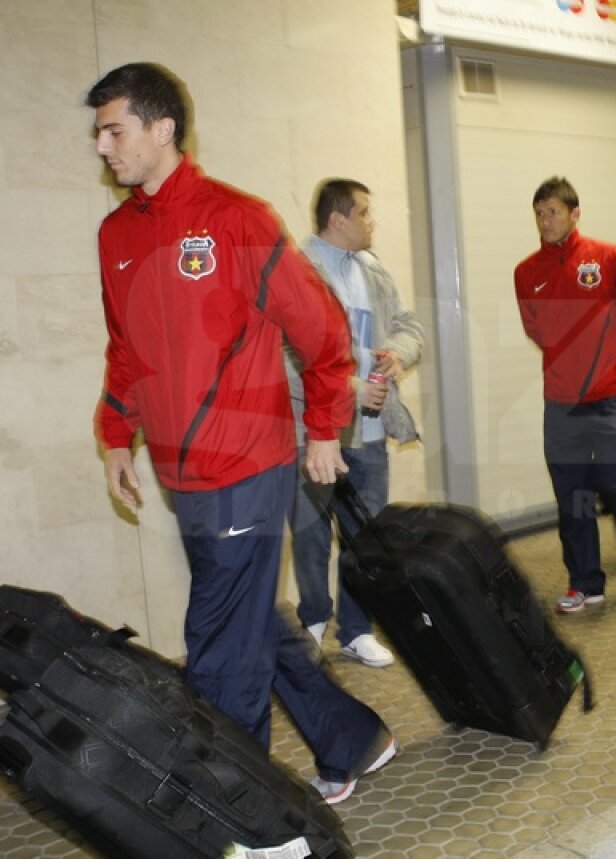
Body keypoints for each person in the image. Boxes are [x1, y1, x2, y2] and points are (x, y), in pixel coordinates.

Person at [88, 62, 393, 804]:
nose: (102, 145)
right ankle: (353, 740)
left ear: (162, 129)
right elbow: (126, 350)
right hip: (181, 473)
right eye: (97, 132)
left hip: (248, 464)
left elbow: (319, 330)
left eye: (114, 129)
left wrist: (323, 429)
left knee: (222, 651)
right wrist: (112, 436)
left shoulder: (237, 220)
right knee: (249, 617)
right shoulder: (117, 235)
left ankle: (248, 810)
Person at [286, 178, 424, 668]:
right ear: (337, 219)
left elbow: (409, 326)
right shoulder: (296, 271)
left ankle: (357, 629)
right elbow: (285, 355)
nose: (371, 222)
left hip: (368, 433)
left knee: (365, 539)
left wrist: (396, 357)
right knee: (310, 534)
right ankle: (314, 619)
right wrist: (349, 387)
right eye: (363, 213)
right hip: (313, 435)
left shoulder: (374, 270)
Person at [514, 176, 616, 614]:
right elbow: (536, 329)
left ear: (575, 214)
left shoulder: (609, 257)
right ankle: (585, 583)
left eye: (553, 212)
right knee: (571, 492)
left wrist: (614, 358)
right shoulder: (527, 272)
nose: (545, 221)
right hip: (562, 402)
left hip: (611, 396)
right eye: (539, 213)